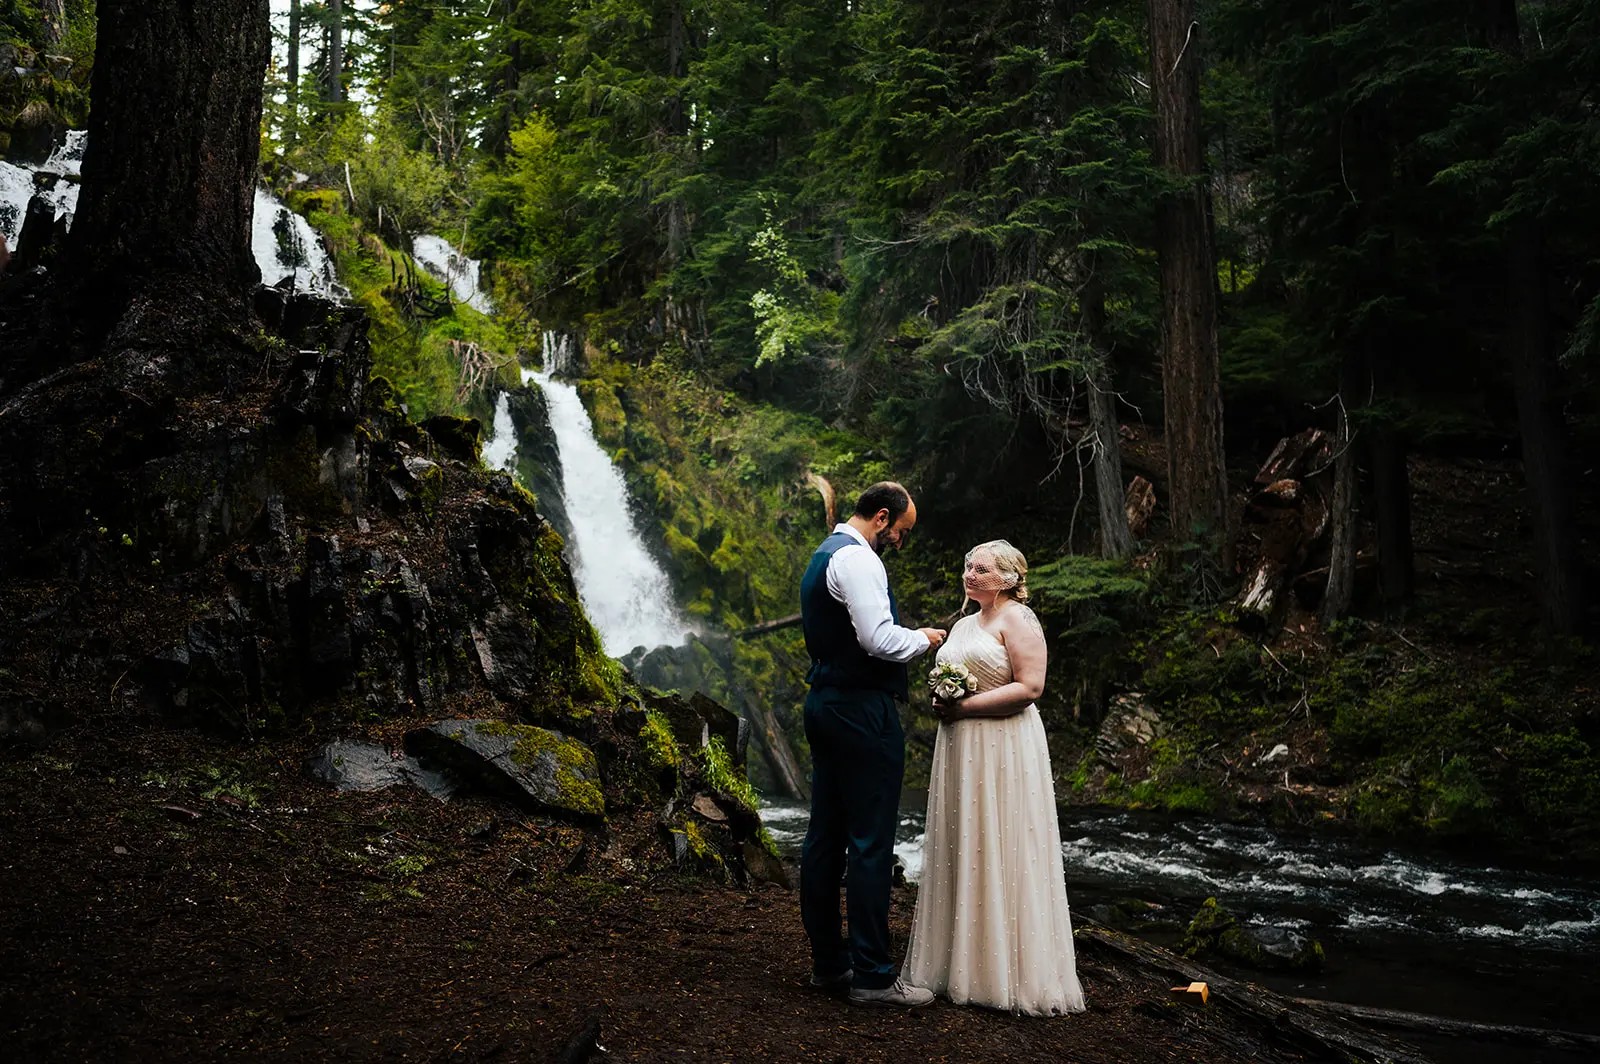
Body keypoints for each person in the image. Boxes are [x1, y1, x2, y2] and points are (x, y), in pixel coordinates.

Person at [904, 540, 1085, 1016]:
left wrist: (960, 706)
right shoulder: (964, 624)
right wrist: (943, 702)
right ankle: (954, 963)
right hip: (960, 747)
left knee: (1003, 842)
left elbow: (1030, 687)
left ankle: (1006, 971)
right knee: (961, 842)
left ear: (1007, 578)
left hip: (1005, 745)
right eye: (967, 565)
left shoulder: (1019, 620)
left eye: (981, 568)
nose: (969, 573)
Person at [799, 481, 947, 1007]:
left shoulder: (824, 554)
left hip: (826, 703)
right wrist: (923, 639)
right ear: (882, 518)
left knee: (825, 835)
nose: (900, 543)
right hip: (860, 710)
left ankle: (829, 964)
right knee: (869, 842)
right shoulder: (860, 561)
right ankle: (874, 975)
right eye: (901, 532)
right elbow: (878, 639)